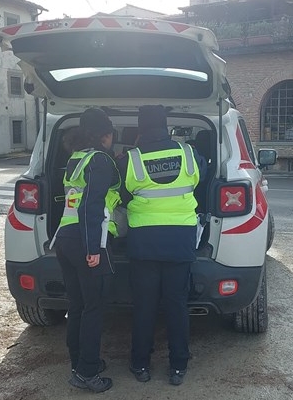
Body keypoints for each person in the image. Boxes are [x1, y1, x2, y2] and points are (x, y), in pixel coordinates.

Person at [118, 105, 205, 386]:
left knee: (144, 305)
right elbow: (200, 181)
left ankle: (140, 364)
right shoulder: (188, 154)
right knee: (176, 305)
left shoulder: (130, 159)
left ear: (141, 129)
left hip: (144, 242)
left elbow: (121, 194)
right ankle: (178, 366)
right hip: (180, 240)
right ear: (166, 126)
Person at [53, 108, 121, 393]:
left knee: (78, 306)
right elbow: (92, 205)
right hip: (87, 240)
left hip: (65, 238)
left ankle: (79, 363)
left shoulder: (77, 158)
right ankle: (88, 374)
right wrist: (93, 248)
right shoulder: (100, 160)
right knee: (93, 308)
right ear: (106, 135)